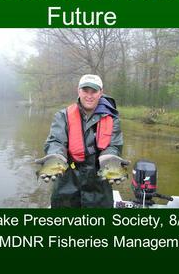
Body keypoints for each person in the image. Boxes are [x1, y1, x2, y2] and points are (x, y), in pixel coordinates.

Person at [36, 74, 128, 208]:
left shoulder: (112, 119)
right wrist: (56, 155)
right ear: (78, 91)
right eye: (85, 90)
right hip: (66, 185)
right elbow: (56, 141)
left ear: (101, 93)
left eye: (94, 91)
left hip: (99, 187)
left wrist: (110, 158)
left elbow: (114, 145)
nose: (89, 96)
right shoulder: (62, 116)